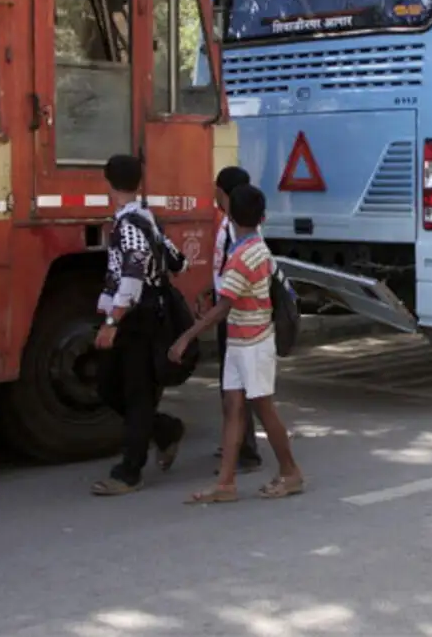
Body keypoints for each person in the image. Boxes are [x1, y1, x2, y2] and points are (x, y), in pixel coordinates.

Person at [169, 184, 304, 504]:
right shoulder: (252, 247)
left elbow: (223, 306)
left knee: (262, 409)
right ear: (262, 217)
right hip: (243, 340)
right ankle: (226, 482)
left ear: (230, 215)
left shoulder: (244, 255)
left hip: (252, 343)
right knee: (234, 408)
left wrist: (186, 337)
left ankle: (290, 472)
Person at [90, 154, 188, 496]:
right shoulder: (146, 219)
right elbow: (179, 262)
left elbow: (131, 276)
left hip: (137, 319)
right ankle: (164, 430)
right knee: (111, 387)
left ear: (108, 184)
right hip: (140, 315)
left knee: (135, 393)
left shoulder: (130, 225)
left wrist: (112, 321)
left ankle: (129, 472)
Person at [211, 166, 263, 471]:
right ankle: (237, 445)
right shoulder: (235, 225)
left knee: (237, 388)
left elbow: (235, 275)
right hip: (233, 311)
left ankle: (245, 451)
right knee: (235, 386)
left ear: (223, 192)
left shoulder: (237, 229)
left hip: (235, 315)